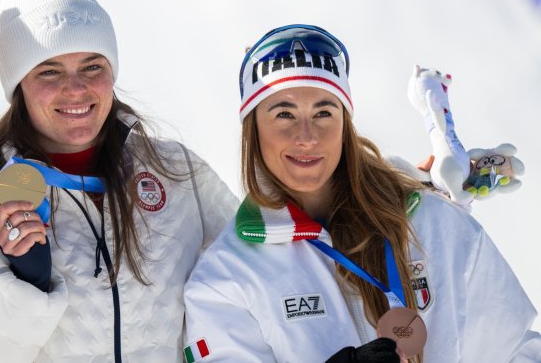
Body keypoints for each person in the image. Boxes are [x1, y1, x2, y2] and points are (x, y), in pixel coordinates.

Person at [0, 0, 238, 362]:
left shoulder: (177, 173)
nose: (75, 89)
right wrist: (22, 289)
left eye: (92, 66)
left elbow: (259, 279)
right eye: (50, 71)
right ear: (19, 87)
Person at [183, 25, 541, 362]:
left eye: (324, 112)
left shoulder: (434, 222)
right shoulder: (226, 278)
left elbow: (513, 351)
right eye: (284, 114)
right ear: (253, 130)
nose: (306, 136)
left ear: (345, 124)